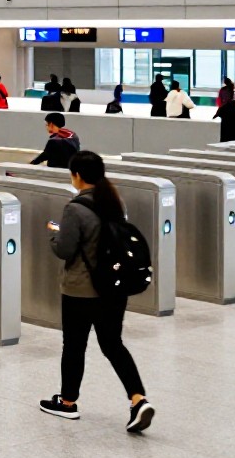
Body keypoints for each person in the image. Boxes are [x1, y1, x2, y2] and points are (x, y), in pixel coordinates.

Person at [42, 151, 155, 433]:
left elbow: (65, 249)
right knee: (112, 344)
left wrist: (55, 235)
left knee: (74, 345)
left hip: (81, 290)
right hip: (114, 288)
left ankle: (67, 402)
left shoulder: (74, 208)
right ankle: (138, 398)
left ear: (77, 175)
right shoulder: (115, 202)